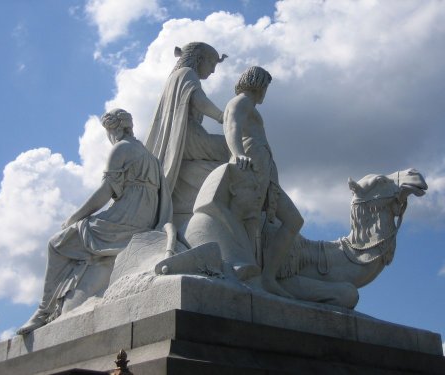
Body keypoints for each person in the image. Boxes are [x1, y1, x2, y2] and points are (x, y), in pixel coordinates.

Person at [17, 109, 172, 335]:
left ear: (115, 129)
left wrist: (74, 218)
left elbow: (105, 192)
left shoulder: (121, 148)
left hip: (120, 223)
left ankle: (42, 312)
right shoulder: (151, 157)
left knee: (56, 244)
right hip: (144, 223)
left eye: (108, 131)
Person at [223, 66, 304, 298]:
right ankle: (244, 270)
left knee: (293, 220)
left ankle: (268, 276)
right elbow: (232, 127)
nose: (265, 92)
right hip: (250, 165)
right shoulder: (242, 102)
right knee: (246, 219)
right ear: (259, 84)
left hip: (263, 169)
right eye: (266, 86)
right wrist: (238, 153)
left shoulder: (248, 105)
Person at [145, 42, 230, 227]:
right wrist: (223, 116)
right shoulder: (187, 74)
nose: (213, 71)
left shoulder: (175, 76)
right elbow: (199, 100)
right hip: (188, 137)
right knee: (232, 148)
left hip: (184, 137)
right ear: (200, 59)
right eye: (212, 64)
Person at [181, 163, 263, 281]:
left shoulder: (239, 228)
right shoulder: (204, 223)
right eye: (253, 188)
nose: (259, 196)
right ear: (233, 189)